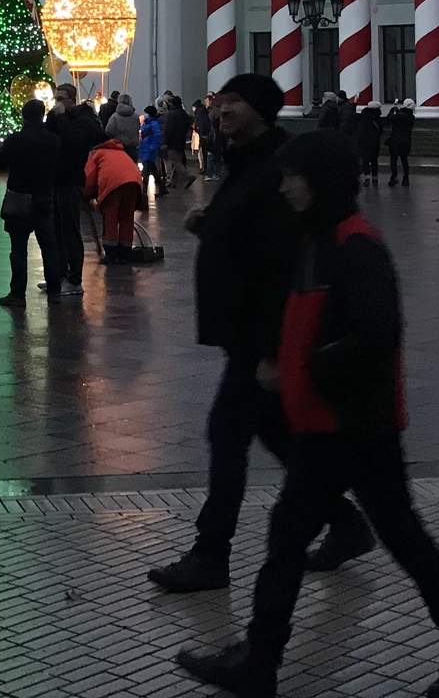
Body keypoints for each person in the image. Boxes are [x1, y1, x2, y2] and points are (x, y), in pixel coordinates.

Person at [177, 129, 439, 698]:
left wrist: (301, 368)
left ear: (320, 181)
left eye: (294, 176)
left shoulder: (356, 246)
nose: (286, 187)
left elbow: (377, 335)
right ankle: (260, 659)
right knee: (290, 540)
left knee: (404, 542)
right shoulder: (319, 242)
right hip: (322, 426)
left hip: (358, 426)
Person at [148, 75, 374, 596]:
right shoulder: (247, 159)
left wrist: (274, 351)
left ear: (262, 110)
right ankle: (346, 523)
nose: (220, 111)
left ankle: (212, 555)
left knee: (227, 436)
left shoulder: (278, 168)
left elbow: (280, 260)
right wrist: (212, 223)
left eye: (233, 104)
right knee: (279, 439)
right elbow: (248, 233)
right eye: (220, 103)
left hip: (260, 337)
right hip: (246, 333)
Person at [0, 99, 64, 307]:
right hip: (44, 196)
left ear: (23, 116)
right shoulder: (53, 140)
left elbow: (1, 162)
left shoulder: (16, 139)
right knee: (49, 246)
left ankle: (17, 294)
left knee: (18, 249)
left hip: (19, 196)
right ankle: (54, 291)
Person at [44, 84, 99, 297]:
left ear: (71, 99)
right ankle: (59, 274)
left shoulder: (83, 121)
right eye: (55, 98)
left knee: (70, 230)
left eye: (61, 98)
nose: (57, 102)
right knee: (56, 229)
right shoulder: (58, 117)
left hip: (71, 180)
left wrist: (62, 119)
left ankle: (75, 279)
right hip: (56, 179)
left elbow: (75, 143)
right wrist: (53, 117)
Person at [84, 133, 145, 264]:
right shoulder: (121, 151)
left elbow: (89, 178)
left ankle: (111, 253)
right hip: (134, 184)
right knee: (126, 217)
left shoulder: (97, 153)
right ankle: (124, 252)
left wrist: (86, 194)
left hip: (113, 186)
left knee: (110, 217)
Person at [160, 96, 193, 189]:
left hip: (172, 142)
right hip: (181, 141)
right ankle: (172, 182)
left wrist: (165, 141)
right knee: (176, 161)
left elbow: (169, 129)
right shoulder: (183, 113)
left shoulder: (171, 114)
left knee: (176, 162)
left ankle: (188, 176)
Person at [137, 104, 164, 210]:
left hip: (149, 150)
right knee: (153, 171)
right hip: (145, 150)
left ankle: (143, 196)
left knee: (146, 174)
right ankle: (162, 188)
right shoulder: (148, 123)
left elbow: (157, 137)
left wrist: (153, 148)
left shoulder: (153, 124)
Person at [352, 101, 383, 187]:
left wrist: (354, 105)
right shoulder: (377, 118)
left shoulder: (363, 116)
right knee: (374, 160)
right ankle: (375, 178)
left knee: (365, 160)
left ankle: (367, 178)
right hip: (374, 142)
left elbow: (353, 116)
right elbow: (381, 130)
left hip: (364, 141)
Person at [386, 98, 415, 187]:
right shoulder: (411, 117)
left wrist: (393, 110)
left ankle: (394, 177)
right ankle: (406, 178)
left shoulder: (399, 115)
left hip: (395, 141)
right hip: (406, 141)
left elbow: (389, 118)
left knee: (394, 160)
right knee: (404, 160)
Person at [104, 92, 141, 159]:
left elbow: (108, 131)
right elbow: (138, 128)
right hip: (132, 148)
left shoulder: (114, 117)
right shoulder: (136, 116)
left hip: (119, 147)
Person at [192, 95, 218, 178]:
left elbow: (201, 124)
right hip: (207, 134)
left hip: (204, 135)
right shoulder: (204, 111)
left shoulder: (200, 113)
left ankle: (208, 171)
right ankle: (208, 170)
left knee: (205, 153)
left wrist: (200, 132)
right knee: (207, 154)